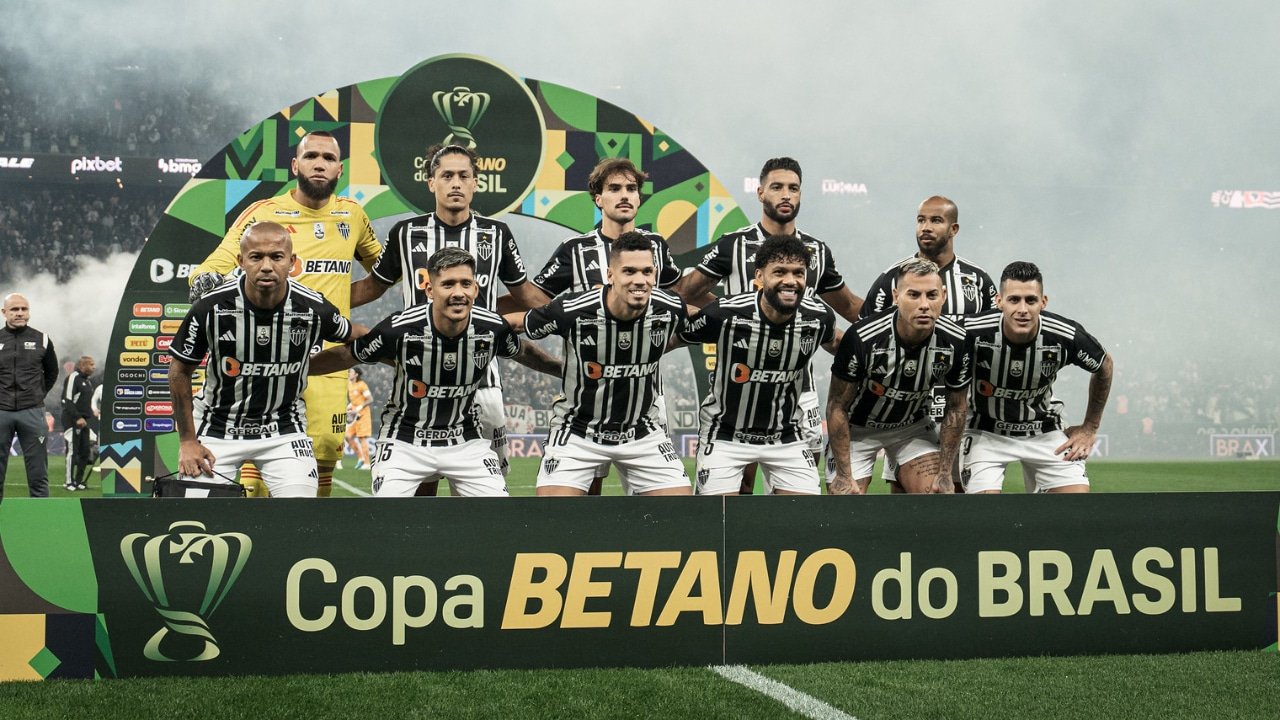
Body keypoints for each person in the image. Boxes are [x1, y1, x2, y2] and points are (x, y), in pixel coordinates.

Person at [188, 130, 382, 497]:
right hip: (266, 356)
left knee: (322, 455)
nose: (319, 164)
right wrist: (204, 279)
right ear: (295, 165)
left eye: (328, 158)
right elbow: (220, 260)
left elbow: (383, 273)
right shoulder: (264, 212)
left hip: (325, 356)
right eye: (311, 156)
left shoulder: (352, 215)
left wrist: (335, 305)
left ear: (339, 169)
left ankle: (308, 530)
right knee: (253, 460)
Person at [352, 144, 544, 488]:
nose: (455, 183)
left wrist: (577, 310)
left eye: (463, 176)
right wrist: (319, 302)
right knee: (421, 479)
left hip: (482, 379)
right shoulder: (406, 233)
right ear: (431, 183)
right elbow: (370, 288)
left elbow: (526, 295)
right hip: (418, 372)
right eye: (447, 176)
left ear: (475, 183)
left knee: (481, 487)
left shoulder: (495, 233)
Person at [674, 157, 863, 492]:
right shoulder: (734, 244)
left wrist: (891, 327)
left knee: (797, 489)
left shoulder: (817, 251)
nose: (786, 194)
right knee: (740, 486)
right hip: (738, 382)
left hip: (797, 387)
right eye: (777, 187)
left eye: (793, 188)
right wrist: (725, 313)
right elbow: (684, 293)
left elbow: (848, 307)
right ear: (761, 193)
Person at [311, 248, 561, 497]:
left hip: (465, 440)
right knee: (389, 514)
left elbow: (524, 351)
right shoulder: (399, 329)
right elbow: (349, 355)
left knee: (496, 513)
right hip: (404, 441)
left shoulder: (492, 328)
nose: (458, 293)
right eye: (448, 284)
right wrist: (303, 369)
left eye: (466, 284)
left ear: (475, 289)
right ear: (430, 290)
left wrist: (563, 369)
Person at [169, 222, 359, 497]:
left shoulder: (313, 307)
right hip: (216, 427)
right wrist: (187, 441)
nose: (267, 266)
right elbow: (179, 372)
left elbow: (355, 338)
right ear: (241, 261)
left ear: (292, 262)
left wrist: (392, 346)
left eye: (276, 257)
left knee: (302, 513)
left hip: (283, 429)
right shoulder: (211, 306)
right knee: (199, 515)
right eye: (256, 257)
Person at [525, 157, 680, 494]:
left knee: (651, 502)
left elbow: (674, 303)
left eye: (631, 189)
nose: (624, 195)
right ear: (598, 198)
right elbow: (537, 302)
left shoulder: (655, 246)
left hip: (644, 403)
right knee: (587, 493)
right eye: (614, 189)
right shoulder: (574, 250)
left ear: (639, 197)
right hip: (587, 398)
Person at [509, 232, 691, 496]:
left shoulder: (670, 308)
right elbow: (512, 325)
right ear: (610, 275)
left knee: (685, 513)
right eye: (629, 271)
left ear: (655, 275)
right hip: (578, 434)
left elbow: (704, 326)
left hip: (642, 433)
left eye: (647, 272)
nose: (639, 280)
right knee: (553, 513)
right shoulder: (572, 310)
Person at [676, 235, 839, 495]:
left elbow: (841, 346)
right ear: (760, 276)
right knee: (719, 517)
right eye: (780, 272)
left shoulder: (819, 318)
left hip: (786, 436)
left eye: (798, 273)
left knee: (804, 516)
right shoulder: (725, 314)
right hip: (726, 435)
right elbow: (671, 339)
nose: (791, 280)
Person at [860, 196, 996, 492]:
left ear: (954, 229)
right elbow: (866, 340)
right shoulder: (891, 279)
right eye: (921, 220)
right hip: (906, 410)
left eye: (936, 220)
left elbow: (993, 342)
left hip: (958, 406)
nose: (926, 227)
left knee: (950, 491)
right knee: (904, 491)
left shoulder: (977, 282)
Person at [961, 261, 1114, 494]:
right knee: (985, 510)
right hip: (985, 432)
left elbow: (1105, 366)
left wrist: (1089, 428)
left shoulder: (1065, 335)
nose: (1022, 309)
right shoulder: (971, 332)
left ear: (1043, 302)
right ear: (999, 301)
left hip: (1043, 430)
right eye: (1014, 300)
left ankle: (1044, 491)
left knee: (1076, 505)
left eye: (1030, 300)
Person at [826, 259, 970, 495]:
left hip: (911, 428)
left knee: (936, 496)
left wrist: (945, 473)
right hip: (856, 429)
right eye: (913, 295)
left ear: (943, 296)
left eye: (932, 295)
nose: (924, 305)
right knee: (845, 503)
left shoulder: (957, 341)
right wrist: (843, 474)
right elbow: (837, 406)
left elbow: (957, 407)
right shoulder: (863, 338)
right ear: (896, 296)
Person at [0, 292, 58, 498]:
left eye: (24, 309)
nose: (20, 313)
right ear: (4, 312)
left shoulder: (42, 339)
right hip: (1, 412)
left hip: (32, 412)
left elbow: (52, 373)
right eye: (14, 309)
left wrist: (36, 395)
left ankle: (40, 517)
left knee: (38, 475)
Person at [61, 355, 96, 491]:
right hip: (72, 419)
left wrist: (88, 414)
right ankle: (68, 482)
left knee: (85, 451)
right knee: (72, 451)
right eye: (91, 364)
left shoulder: (88, 381)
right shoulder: (73, 377)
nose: (94, 367)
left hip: (84, 420)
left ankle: (78, 481)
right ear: (82, 366)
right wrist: (77, 417)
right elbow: (67, 400)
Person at [344, 368, 373, 470]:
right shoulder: (349, 384)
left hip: (363, 415)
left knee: (362, 438)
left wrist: (358, 409)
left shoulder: (362, 385)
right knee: (348, 436)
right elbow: (354, 401)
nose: (349, 374)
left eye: (351, 372)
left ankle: (367, 464)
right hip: (354, 416)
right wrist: (349, 407)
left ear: (356, 374)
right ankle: (361, 458)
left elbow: (370, 399)